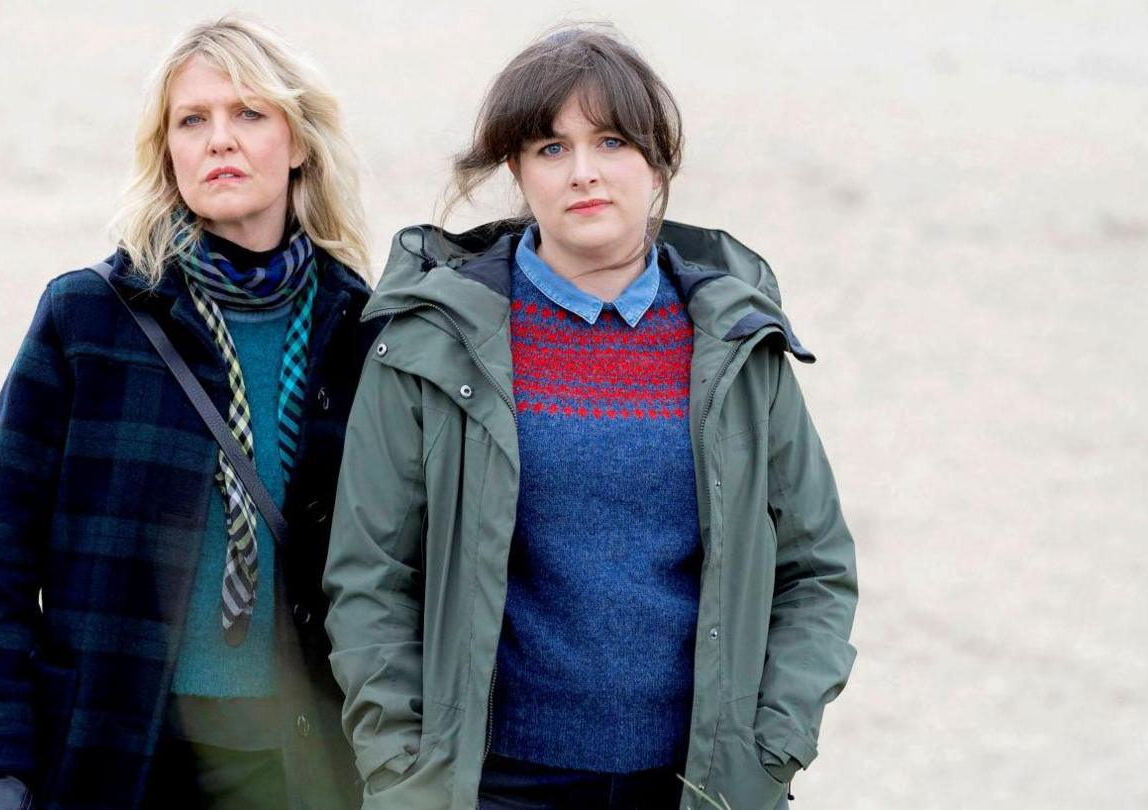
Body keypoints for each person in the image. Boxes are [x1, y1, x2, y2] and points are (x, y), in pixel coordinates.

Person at [322, 23, 858, 810]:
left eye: (610, 142)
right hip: (490, 784)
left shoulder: (738, 344)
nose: (583, 174)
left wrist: (770, 746)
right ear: (516, 168)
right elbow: (371, 575)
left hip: (692, 784)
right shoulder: (430, 343)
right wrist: (404, 771)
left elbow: (817, 571)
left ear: (656, 161)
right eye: (549, 148)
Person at [0, 16, 378, 810]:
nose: (220, 140)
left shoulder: (361, 329)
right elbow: (1, 554)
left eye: (250, 114)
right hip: (118, 743)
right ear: (167, 150)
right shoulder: (91, 317)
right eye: (193, 120)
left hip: (298, 758)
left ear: (300, 142)